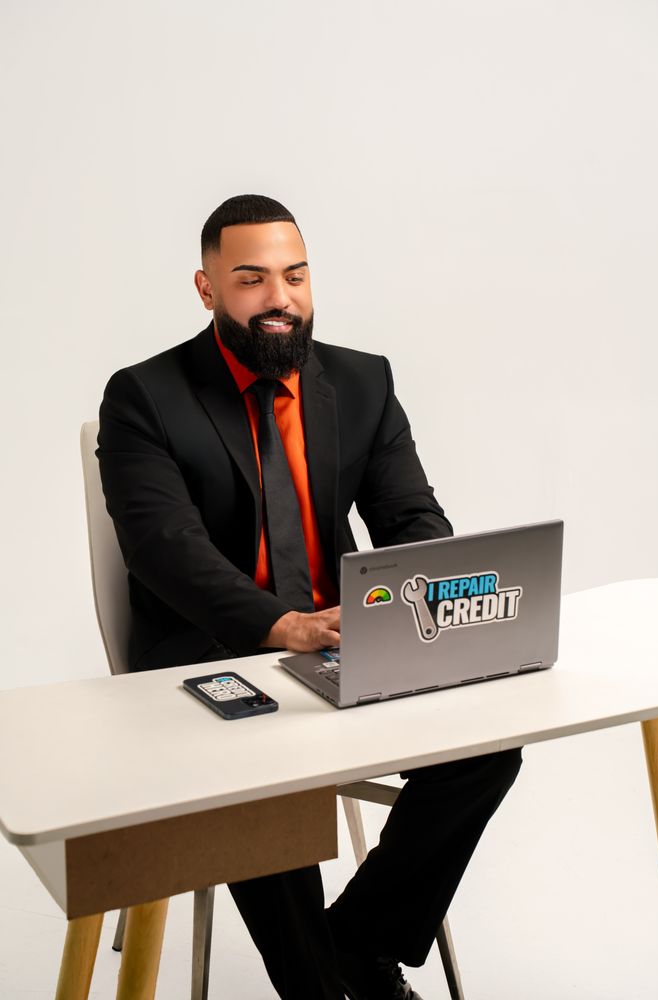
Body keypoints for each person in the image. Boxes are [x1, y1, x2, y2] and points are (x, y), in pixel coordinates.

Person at [97, 194, 522, 1000]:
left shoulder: (362, 383)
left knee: (488, 749)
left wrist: (439, 603)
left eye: (293, 276)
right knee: (267, 773)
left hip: (345, 640)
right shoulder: (144, 396)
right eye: (251, 279)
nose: (279, 298)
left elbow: (410, 518)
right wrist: (278, 625)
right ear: (206, 287)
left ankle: (356, 946)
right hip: (206, 650)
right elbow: (164, 552)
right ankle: (316, 987)